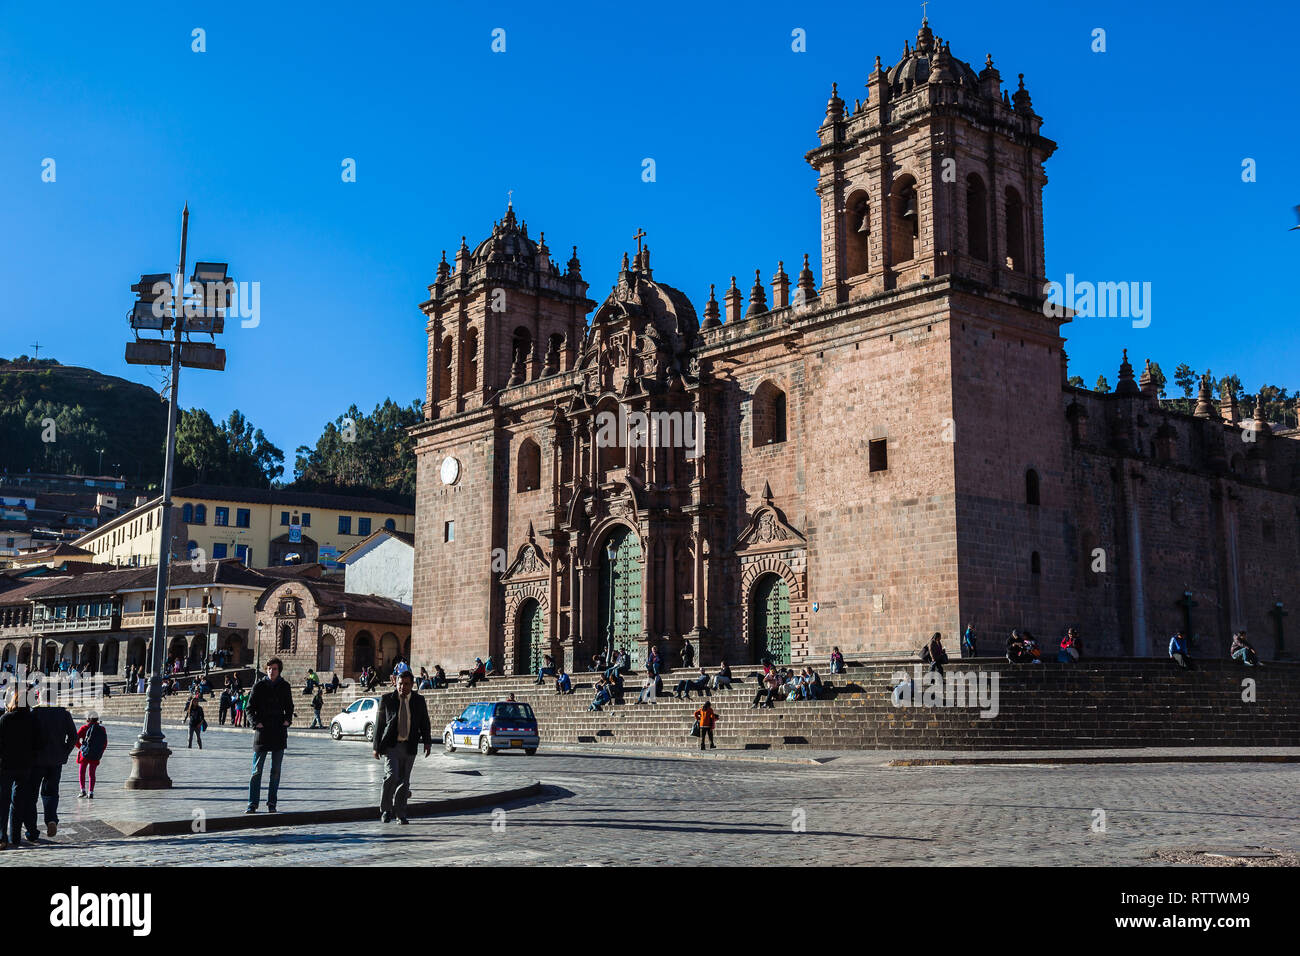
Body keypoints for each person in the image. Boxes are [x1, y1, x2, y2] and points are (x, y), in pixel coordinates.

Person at [373, 669, 432, 824]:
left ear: (412, 685)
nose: (402, 687)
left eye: (406, 684)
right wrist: (376, 746)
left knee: (404, 781)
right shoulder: (387, 699)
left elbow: (425, 722)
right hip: (391, 745)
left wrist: (427, 742)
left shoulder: (419, 701)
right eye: (400, 684)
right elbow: (379, 724)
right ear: (395, 683)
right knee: (391, 776)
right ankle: (386, 810)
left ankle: (400, 813)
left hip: (409, 745)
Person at [245, 658, 294, 814]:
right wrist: (256, 723)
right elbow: (249, 708)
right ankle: (252, 804)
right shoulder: (259, 686)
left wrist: (287, 720)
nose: (271, 671)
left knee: (276, 771)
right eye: (269, 669)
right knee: (256, 770)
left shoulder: (285, 686)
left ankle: (271, 803)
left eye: (274, 669)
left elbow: (290, 707)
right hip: (263, 732)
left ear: (279, 670)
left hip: (279, 732)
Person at [0, 689, 43, 848]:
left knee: (2, 802)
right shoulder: (33, 720)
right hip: (25, 766)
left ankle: (1, 837)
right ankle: (15, 837)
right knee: (17, 802)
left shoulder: (5, 719)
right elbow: (39, 744)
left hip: (5, 766)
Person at [75, 712, 107, 800]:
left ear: (88, 719)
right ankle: (91, 792)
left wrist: (81, 748)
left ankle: (82, 790)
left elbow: (75, 739)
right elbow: (104, 742)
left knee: (82, 772)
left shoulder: (84, 728)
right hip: (95, 754)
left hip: (84, 754)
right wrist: (100, 751)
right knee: (92, 774)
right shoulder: (102, 729)